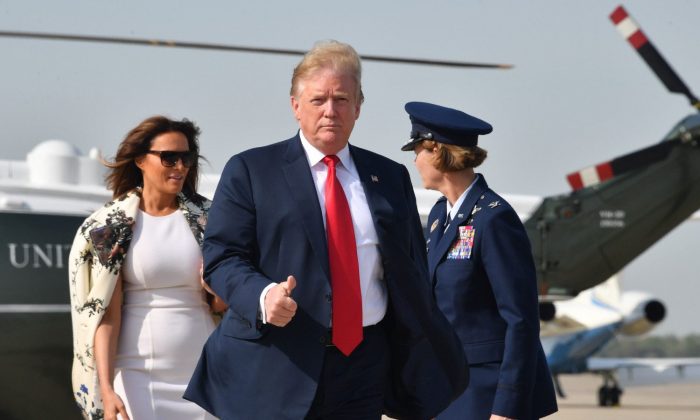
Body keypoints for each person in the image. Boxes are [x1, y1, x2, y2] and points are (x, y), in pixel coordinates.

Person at [185, 41, 468, 420]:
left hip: (364, 365)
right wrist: (263, 295)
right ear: (295, 107)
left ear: (358, 107)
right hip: (277, 362)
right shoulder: (252, 171)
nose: (330, 111)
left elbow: (412, 269)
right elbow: (221, 258)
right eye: (318, 100)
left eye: (341, 99)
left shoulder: (389, 177)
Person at [400, 101, 558, 420]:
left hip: (487, 395)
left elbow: (521, 320)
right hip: (448, 389)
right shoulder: (439, 216)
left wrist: (507, 406)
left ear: (438, 152)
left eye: (418, 149)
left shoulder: (495, 219)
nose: (414, 160)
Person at [68, 116, 224, 420]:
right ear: (140, 159)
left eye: (186, 157)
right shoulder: (109, 227)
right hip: (136, 374)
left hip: (205, 369)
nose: (180, 166)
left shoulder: (212, 219)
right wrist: (106, 388)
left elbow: (222, 306)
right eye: (169, 157)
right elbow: (106, 316)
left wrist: (218, 290)